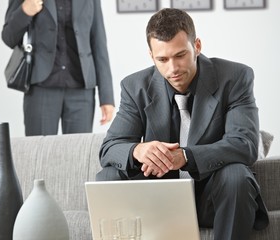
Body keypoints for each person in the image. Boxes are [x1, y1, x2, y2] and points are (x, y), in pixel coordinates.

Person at [97, 8, 269, 240]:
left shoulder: (235, 77)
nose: (173, 68)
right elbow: (110, 148)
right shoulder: (134, 86)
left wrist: (185, 156)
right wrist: (138, 150)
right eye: (162, 59)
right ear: (151, 56)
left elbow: (244, 145)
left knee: (237, 174)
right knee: (108, 176)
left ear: (196, 46)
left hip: (216, 199)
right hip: (157, 199)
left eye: (180, 55)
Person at [2, 0, 115, 135]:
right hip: (41, 88)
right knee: (39, 153)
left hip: (81, 91)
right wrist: (24, 11)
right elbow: (9, 38)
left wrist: (107, 97)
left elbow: (98, 42)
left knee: (78, 153)